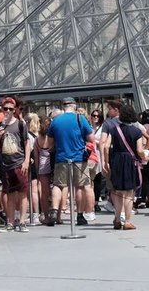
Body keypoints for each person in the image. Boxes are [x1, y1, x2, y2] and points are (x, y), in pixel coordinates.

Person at [47, 97, 95, 227]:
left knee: (58, 184)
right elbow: (91, 138)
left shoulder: (56, 121)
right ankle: (79, 215)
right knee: (79, 186)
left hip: (61, 158)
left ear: (63, 106)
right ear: (74, 106)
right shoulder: (80, 119)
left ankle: (54, 210)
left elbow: (50, 142)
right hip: (78, 158)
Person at [102, 104, 146, 230]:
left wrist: (106, 162)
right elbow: (139, 150)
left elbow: (105, 146)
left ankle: (117, 218)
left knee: (117, 191)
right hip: (129, 161)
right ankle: (127, 221)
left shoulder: (114, 129)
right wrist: (144, 157)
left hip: (116, 160)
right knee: (128, 192)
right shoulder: (136, 131)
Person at [0, 96, 29, 232]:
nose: (8, 111)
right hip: (5, 164)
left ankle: (23, 220)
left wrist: (26, 161)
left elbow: (26, 143)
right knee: (10, 193)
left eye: (11, 109)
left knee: (23, 192)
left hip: (19, 162)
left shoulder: (20, 124)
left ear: (15, 110)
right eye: (5, 109)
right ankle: (11, 221)